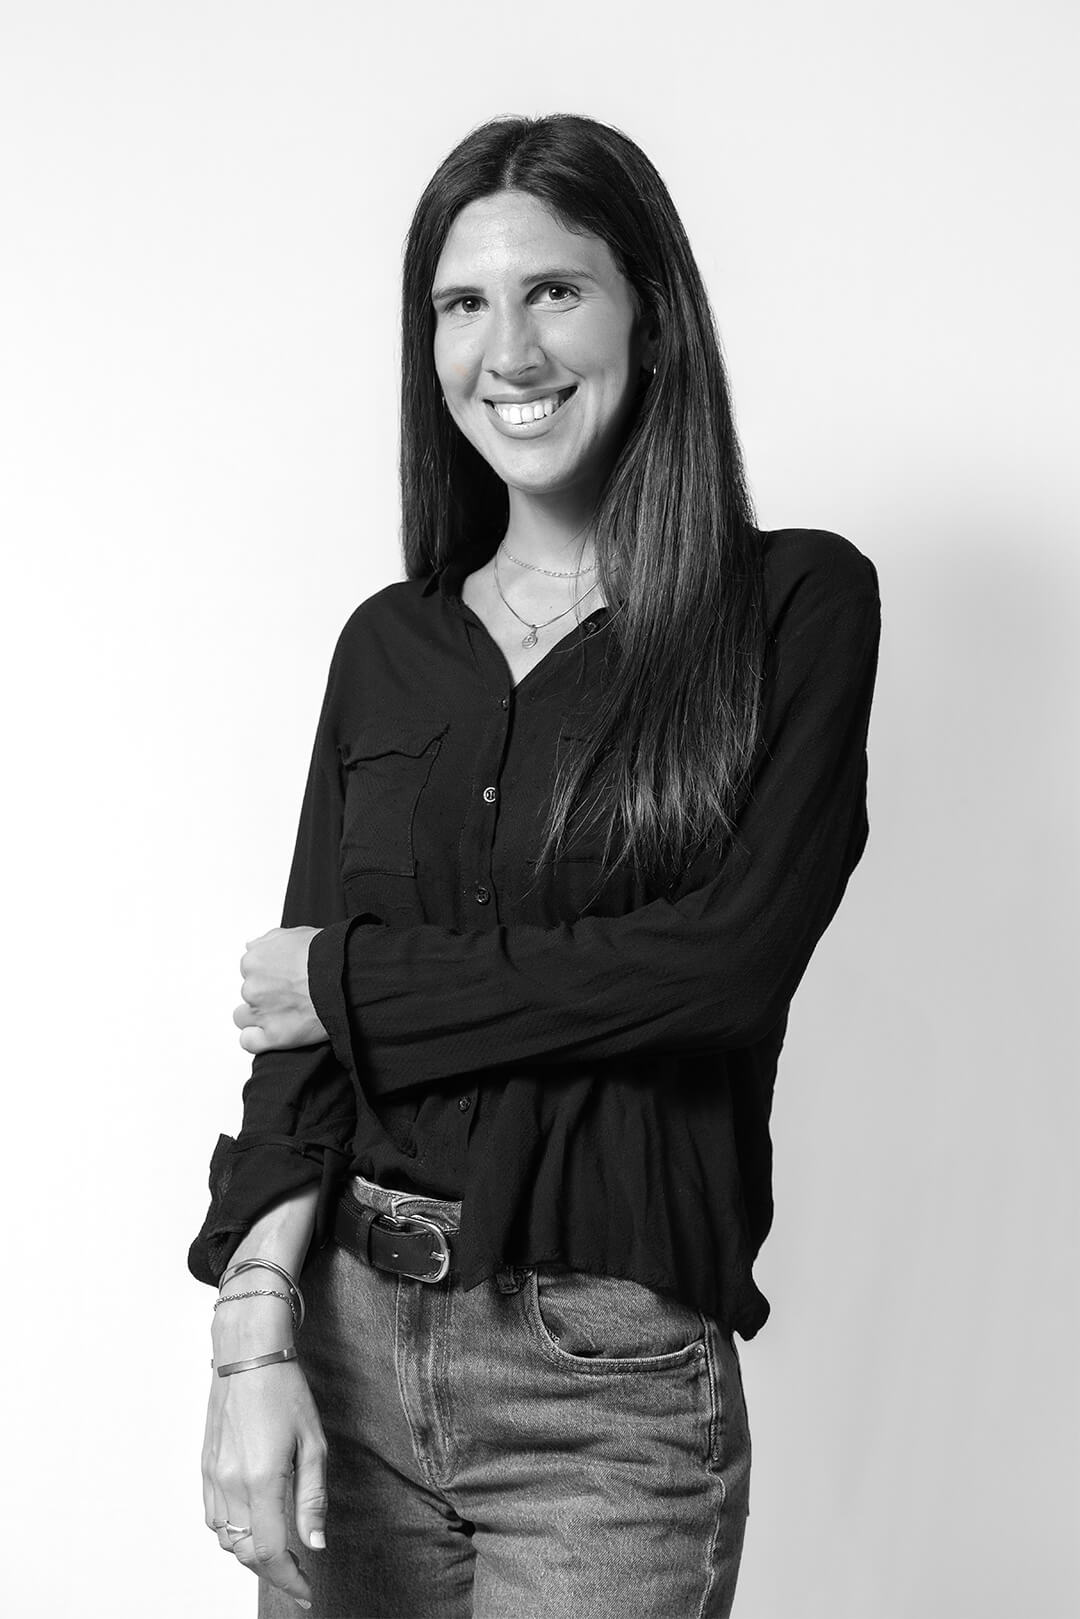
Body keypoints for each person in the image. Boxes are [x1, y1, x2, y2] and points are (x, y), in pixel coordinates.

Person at [191, 112, 881, 1619]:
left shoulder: (794, 609)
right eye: (461, 304)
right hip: (343, 1353)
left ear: (652, 314)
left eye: (555, 290)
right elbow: (300, 1067)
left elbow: (720, 969)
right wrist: (251, 1334)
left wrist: (350, 982)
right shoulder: (390, 646)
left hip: (607, 1396)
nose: (508, 349)